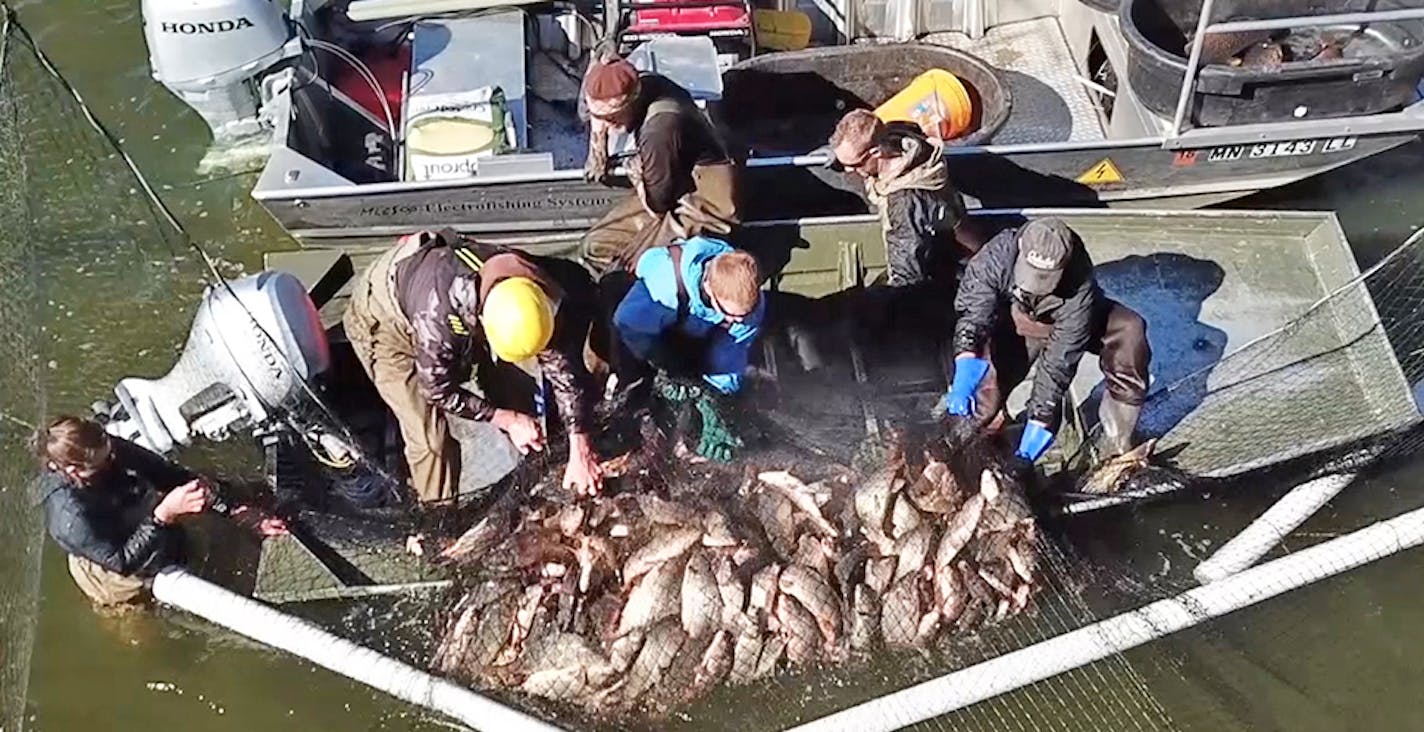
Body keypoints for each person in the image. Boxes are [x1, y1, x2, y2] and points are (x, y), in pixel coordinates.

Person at [344, 229, 603, 503]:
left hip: (454, 300)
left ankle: (540, 471)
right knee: (430, 440)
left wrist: (580, 446)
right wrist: (507, 419)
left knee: (515, 387)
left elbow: (563, 370)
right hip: (386, 326)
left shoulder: (530, 286)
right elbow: (437, 391)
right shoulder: (437, 319)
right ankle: (437, 523)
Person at [943, 218, 1152, 463]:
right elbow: (974, 312)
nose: (1037, 286)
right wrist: (967, 356)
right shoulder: (996, 255)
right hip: (1016, 318)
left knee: (1129, 329)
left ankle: (1118, 444)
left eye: (1045, 279)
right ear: (1020, 246)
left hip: (1066, 326)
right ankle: (958, 446)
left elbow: (1060, 359)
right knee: (984, 398)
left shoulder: (1078, 282)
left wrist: (1042, 415)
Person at [35, 416, 286, 609]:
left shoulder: (108, 450)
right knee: (137, 615)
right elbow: (121, 562)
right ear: (73, 471)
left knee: (195, 553)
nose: (114, 459)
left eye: (111, 451)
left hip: (139, 519)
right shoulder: (71, 518)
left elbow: (168, 474)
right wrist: (162, 515)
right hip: (112, 566)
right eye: (103, 462)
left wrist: (234, 509)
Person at [579, 54, 739, 275]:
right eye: (598, 116)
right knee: (595, 247)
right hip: (675, 180)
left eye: (613, 118)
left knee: (635, 271)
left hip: (706, 202)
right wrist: (598, 142)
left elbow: (658, 204)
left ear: (632, 99)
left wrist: (637, 176)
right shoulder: (644, 81)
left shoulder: (659, 129)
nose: (607, 124)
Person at [611, 235, 765, 461]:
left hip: (693, 336)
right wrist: (663, 366)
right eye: (730, 315)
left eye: (743, 316)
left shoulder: (749, 308)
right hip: (638, 326)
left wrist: (714, 404)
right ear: (709, 289)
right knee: (636, 395)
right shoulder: (663, 287)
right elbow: (627, 325)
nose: (739, 322)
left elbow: (729, 357)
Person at [828, 108, 971, 288]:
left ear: (876, 153)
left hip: (945, 275)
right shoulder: (902, 137)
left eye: (853, 165)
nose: (847, 171)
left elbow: (906, 275)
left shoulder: (904, 203)